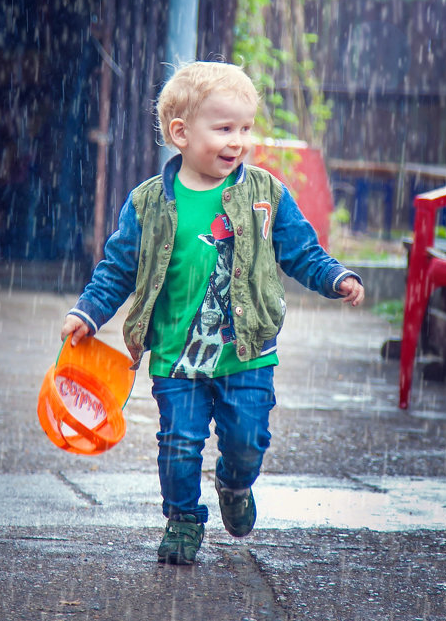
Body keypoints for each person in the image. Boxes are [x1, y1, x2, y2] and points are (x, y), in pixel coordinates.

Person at [60, 61, 365, 565]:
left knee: (248, 439)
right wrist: (87, 312)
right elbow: (118, 268)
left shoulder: (265, 195)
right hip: (177, 355)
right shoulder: (149, 203)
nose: (238, 141)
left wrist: (336, 277)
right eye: (223, 128)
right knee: (178, 443)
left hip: (247, 353)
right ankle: (182, 520)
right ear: (180, 133)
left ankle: (234, 482)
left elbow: (300, 251)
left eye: (245, 128)